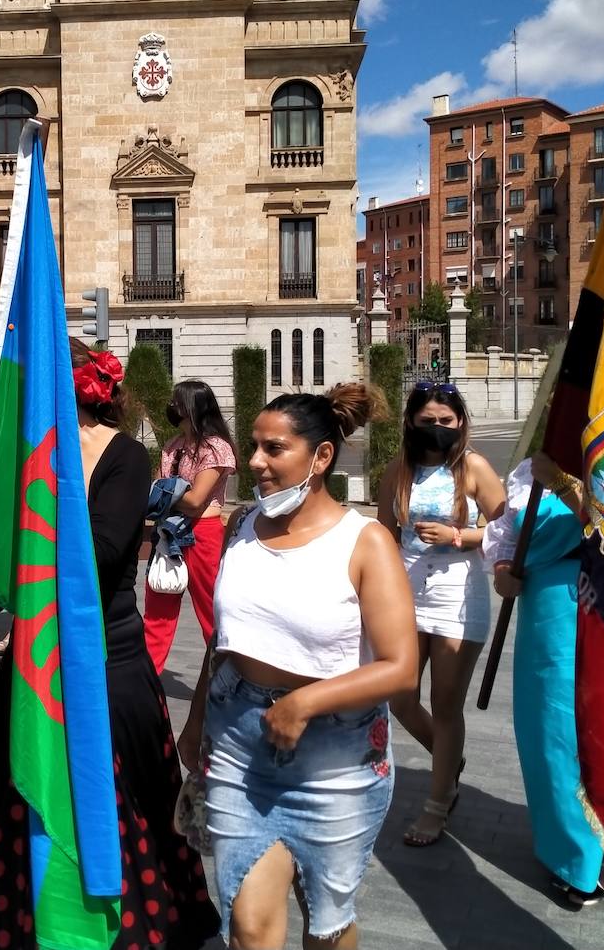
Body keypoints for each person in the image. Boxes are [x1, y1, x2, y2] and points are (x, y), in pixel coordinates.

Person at [0, 339, 220, 949]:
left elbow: (100, 554)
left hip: (106, 664)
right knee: (21, 805)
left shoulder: (122, 457)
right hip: (33, 664)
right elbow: (5, 560)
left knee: (123, 807)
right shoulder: (17, 457)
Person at [177, 385, 416, 949]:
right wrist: (196, 724)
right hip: (237, 747)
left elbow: (402, 667)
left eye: (274, 448)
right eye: (255, 446)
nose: (255, 461)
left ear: (321, 457)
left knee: (327, 929)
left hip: (336, 758)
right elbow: (225, 642)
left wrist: (303, 703)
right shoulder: (242, 528)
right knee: (248, 924)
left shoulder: (365, 543)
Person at [483, 454, 604, 906]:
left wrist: (564, 483)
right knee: (552, 730)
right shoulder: (527, 469)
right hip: (546, 612)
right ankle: (574, 855)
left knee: (603, 730)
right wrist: (504, 570)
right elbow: (505, 537)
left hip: (602, 603)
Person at [376, 381, 504, 847]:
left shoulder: (473, 467)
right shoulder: (399, 470)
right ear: (411, 423)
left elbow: (503, 529)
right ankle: (449, 765)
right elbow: (385, 534)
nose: (437, 429)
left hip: (457, 593)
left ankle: (437, 803)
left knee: (447, 702)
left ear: (461, 424)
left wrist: (457, 536)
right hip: (406, 591)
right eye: (428, 421)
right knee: (400, 696)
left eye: (446, 422)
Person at [142, 379, 237, 672]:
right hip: (169, 531)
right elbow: (161, 491)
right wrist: (168, 495)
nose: (172, 406)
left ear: (194, 406)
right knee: (158, 608)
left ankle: (224, 677)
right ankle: (146, 676)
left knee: (211, 608)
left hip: (202, 534)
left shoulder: (216, 447)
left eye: (178, 401)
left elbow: (195, 501)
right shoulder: (173, 445)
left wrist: (166, 495)